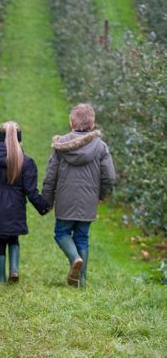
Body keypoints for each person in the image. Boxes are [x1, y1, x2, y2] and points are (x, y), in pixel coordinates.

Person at [42, 104, 115, 287]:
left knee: (61, 233)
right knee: (82, 237)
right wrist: (101, 195)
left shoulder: (61, 145)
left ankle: (75, 259)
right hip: (89, 201)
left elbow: (51, 176)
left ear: (71, 122)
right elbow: (109, 176)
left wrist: (47, 200)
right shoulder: (100, 146)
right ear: (92, 124)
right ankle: (81, 281)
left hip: (65, 200)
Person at [0, 121, 50, 283]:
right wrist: (43, 207)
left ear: (0, 138)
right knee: (13, 238)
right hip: (16, 206)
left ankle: (1, 279)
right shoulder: (26, 162)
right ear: (19, 139)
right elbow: (31, 191)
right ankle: (15, 270)